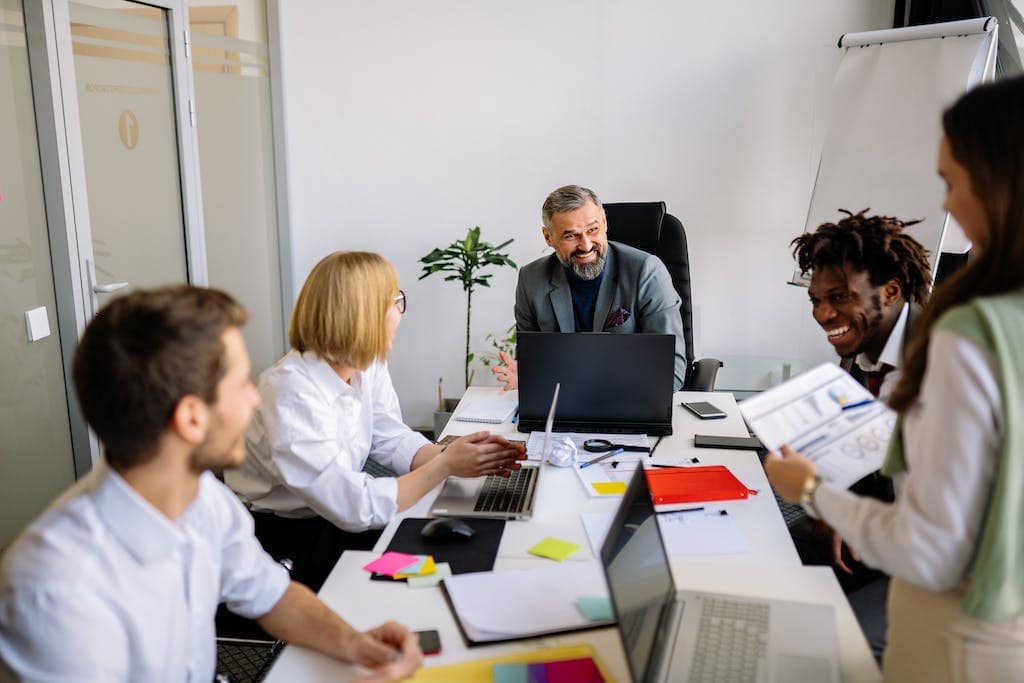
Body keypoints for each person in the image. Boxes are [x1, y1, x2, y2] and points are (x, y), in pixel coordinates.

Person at [0, 286, 421, 682]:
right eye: (241, 384)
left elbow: (273, 596)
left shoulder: (207, 501)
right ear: (191, 418)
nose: (256, 399)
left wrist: (354, 643)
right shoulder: (56, 590)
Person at [766, 75, 1024, 681]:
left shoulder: (965, 335)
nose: (947, 207)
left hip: (957, 624)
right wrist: (834, 508)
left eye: (952, 182)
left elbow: (927, 546)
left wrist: (811, 493)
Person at [227, 251, 524, 591]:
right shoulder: (290, 393)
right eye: (395, 301)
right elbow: (354, 507)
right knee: (431, 577)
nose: (401, 312)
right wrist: (444, 467)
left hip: (338, 516)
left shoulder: (365, 363)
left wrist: (453, 456)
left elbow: (390, 436)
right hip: (288, 540)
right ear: (362, 314)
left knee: (465, 553)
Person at [789, 211, 933, 659]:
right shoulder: (863, 351)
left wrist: (848, 515)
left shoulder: (940, 367)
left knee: (838, 646)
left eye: (839, 297)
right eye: (815, 299)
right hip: (890, 522)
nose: (823, 314)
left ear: (890, 291)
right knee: (771, 552)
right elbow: (856, 448)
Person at [491, 185, 687, 391]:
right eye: (571, 236)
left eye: (593, 230)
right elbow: (531, 362)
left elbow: (670, 370)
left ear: (604, 223)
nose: (585, 245)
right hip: (560, 407)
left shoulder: (647, 272)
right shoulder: (531, 280)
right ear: (548, 237)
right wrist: (525, 374)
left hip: (628, 403)